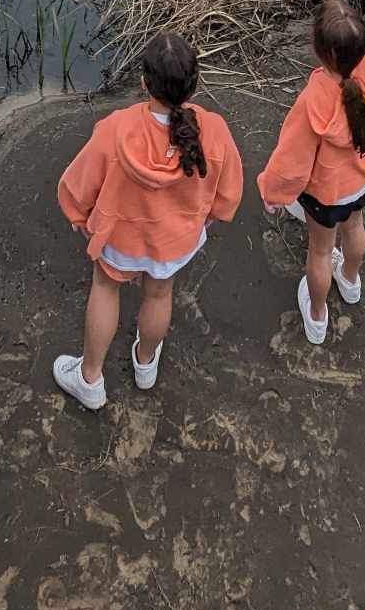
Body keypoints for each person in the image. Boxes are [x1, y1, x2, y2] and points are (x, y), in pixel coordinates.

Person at [54, 31, 243, 410]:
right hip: (174, 241)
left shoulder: (115, 129)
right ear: (194, 84)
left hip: (120, 239)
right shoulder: (214, 131)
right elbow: (228, 190)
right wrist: (214, 216)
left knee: (105, 289)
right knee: (159, 293)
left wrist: (76, 213)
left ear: (144, 82)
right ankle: (145, 363)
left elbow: (80, 181)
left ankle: (90, 378)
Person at [257, 0, 365, 346]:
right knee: (355, 226)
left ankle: (316, 315)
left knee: (319, 251)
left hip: (326, 196)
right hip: (362, 182)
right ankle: (351, 280)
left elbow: (292, 159)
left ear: (320, 50)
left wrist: (274, 191)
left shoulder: (314, 98)